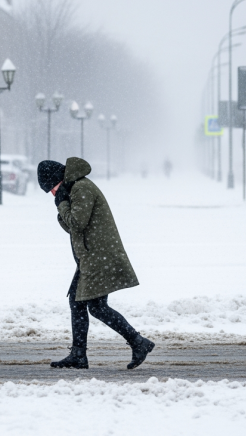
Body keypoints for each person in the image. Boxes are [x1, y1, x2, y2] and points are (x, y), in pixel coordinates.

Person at [38, 157, 154, 369]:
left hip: (98, 257)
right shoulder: (74, 189)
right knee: (78, 301)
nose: (53, 194)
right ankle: (79, 355)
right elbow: (72, 227)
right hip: (90, 257)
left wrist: (62, 204)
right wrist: (63, 207)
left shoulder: (81, 189)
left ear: (58, 180)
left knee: (96, 306)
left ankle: (138, 342)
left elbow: (77, 223)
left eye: (52, 189)